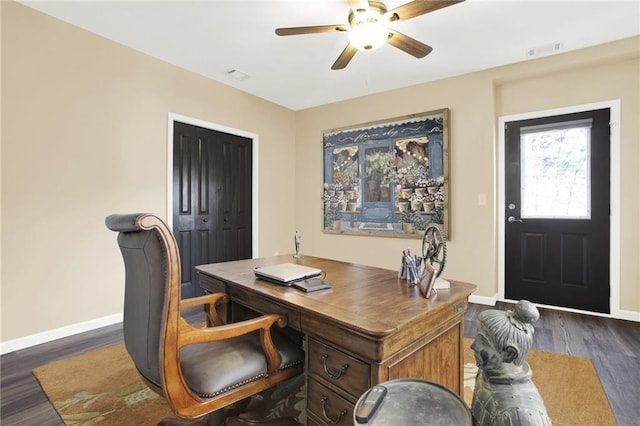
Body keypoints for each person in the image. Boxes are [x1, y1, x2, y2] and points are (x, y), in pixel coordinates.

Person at [470, 300, 552, 425]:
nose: (473, 346)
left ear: (509, 354)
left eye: (482, 341)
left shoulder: (521, 415)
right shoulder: (487, 371)